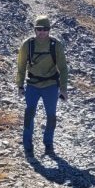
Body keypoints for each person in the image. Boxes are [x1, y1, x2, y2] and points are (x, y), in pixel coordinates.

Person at [16, 15, 69, 158]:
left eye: (45, 29)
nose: (42, 32)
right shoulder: (27, 45)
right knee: (29, 115)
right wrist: (20, 85)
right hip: (32, 85)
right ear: (34, 30)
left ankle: (48, 145)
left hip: (51, 85)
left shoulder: (55, 45)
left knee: (51, 116)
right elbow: (21, 66)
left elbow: (63, 68)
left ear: (49, 30)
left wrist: (63, 89)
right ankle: (28, 146)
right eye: (39, 29)